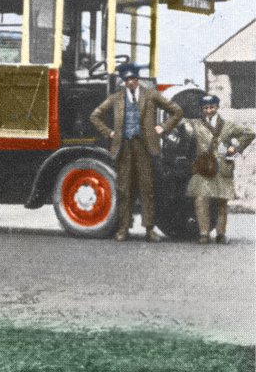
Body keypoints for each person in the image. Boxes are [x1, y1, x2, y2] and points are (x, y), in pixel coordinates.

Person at [90, 63, 183, 242]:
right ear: (123, 81)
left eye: (133, 79)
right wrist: (110, 133)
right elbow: (95, 115)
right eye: (127, 79)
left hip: (145, 147)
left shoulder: (150, 95)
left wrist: (162, 128)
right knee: (124, 189)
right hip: (123, 147)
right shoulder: (116, 98)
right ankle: (124, 228)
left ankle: (149, 229)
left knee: (147, 188)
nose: (130, 82)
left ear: (138, 79)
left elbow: (177, 111)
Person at [183, 94, 254, 244]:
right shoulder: (195, 124)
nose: (209, 110)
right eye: (206, 108)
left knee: (222, 202)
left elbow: (249, 133)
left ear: (217, 107)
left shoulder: (228, 125)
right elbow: (181, 125)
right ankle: (203, 233)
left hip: (222, 167)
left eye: (212, 107)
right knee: (201, 199)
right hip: (204, 167)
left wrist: (235, 147)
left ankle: (221, 234)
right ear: (202, 109)